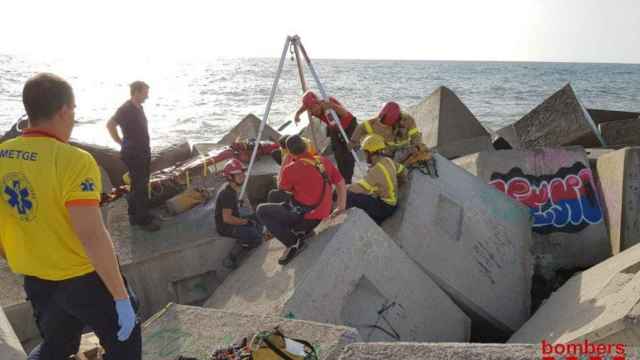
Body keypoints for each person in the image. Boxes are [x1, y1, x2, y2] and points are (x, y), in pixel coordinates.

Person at [0, 73, 140, 359]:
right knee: (125, 343)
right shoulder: (73, 160)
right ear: (63, 110)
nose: (74, 116)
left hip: (35, 278)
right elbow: (91, 235)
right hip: (82, 278)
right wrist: (121, 296)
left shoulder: (2, 154)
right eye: (74, 109)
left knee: (58, 345)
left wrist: (18, 257)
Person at [257, 135, 346, 265]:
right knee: (274, 195)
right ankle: (300, 230)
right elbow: (341, 182)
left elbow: (281, 186)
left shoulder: (290, 169)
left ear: (290, 152)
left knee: (262, 210)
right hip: (322, 212)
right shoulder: (323, 161)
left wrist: (286, 160)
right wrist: (341, 206)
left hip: (306, 216)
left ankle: (294, 243)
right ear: (305, 147)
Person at [106, 81, 160, 231]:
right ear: (136, 92)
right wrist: (120, 141)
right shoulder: (126, 109)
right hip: (133, 153)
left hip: (142, 151)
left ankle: (135, 214)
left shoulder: (139, 107)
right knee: (140, 185)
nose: (147, 97)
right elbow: (110, 124)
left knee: (139, 184)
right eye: (145, 93)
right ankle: (142, 220)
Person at [294, 90, 357, 184]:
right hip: (334, 128)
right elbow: (304, 106)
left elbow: (345, 114)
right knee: (338, 152)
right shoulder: (310, 107)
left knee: (347, 154)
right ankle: (342, 177)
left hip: (348, 126)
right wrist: (298, 114)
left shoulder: (328, 102)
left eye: (315, 107)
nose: (314, 110)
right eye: (310, 109)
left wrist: (332, 106)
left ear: (318, 103)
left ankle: (347, 181)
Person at [215, 159, 266, 269]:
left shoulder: (232, 189)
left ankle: (253, 237)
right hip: (225, 227)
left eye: (242, 173)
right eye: (238, 174)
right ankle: (231, 258)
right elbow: (227, 219)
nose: (242, 176)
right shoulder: (227, 194)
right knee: (254, 236)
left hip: (234, 219)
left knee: (258, 216)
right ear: (229, 177)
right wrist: (245, 222)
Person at [347, 134, 407, 225]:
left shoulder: (376, 170)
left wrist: (342, 189)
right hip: (393, 202)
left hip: (385, 208)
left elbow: (360, 188)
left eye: (365, 152)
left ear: (370, 152)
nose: (364, 155)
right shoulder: (388, 160)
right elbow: (403, 170)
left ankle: (351, 224)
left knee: (350, 197)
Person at [351, 101, 425, 164]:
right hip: (388, 152)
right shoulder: (377, 123)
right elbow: (361, 127)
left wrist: (416, 147)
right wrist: (353, 141)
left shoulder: (408, 120)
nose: (385, 126)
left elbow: (415, 135)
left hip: (404, 150)